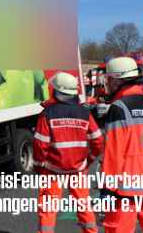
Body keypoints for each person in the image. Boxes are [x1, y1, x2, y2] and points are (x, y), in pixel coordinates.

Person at [101, 57, 143, 233]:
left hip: (125, 189)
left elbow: (113, 154)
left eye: (108, 80)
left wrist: (107, 187)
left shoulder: (119, 108)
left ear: (116, 80)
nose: (107, 84)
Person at [33, 72, 104, 233]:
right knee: (84, 205)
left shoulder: (47, 114)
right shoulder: (84, 113)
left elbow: (40, 145)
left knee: (48, 211)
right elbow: (98, 140)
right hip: (78, 170)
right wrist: (89, 160)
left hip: (52, 171)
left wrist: (39, 166)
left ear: (57, 91)